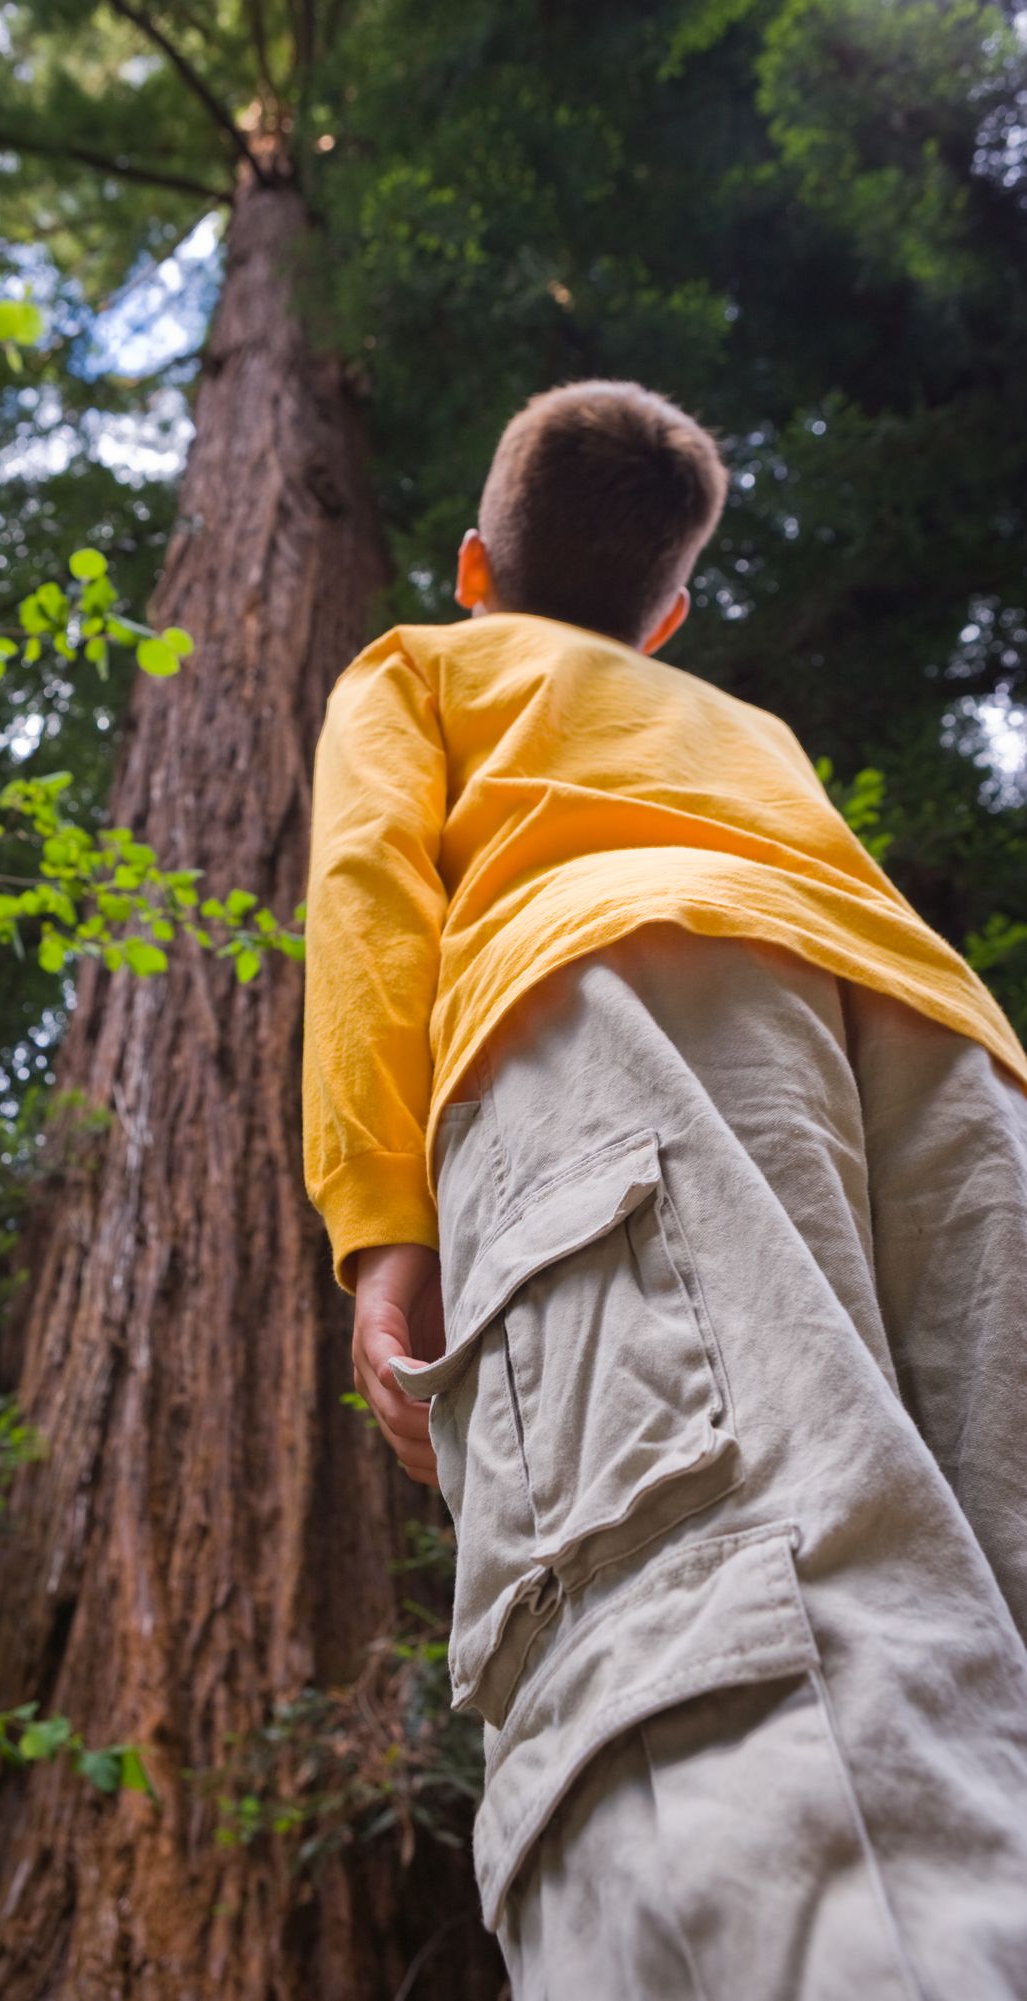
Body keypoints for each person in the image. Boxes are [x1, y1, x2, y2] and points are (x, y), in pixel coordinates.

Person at [301, 379, 1027, 2000]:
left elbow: (365, 895)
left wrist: (379, 1226)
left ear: (475, 567)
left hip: (615, 1009)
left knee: (737, 1624)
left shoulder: (421, 663)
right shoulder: (749, 733)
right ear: (670, 617)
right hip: (941, 1048)